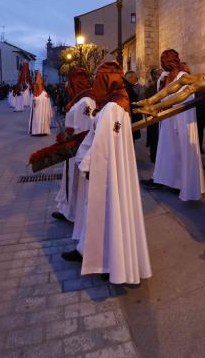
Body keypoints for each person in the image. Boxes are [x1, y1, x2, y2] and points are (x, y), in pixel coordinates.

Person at [62, 62, 152, 285]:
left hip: (107, 171)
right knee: (97, 211)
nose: (94, 86)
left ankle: (109, 262)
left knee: (106, 211)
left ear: (105, 82)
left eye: (98, 81)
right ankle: (89, 251)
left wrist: (85, 165)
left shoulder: (113, 108)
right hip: (109, 168)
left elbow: (102, 145)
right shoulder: (115, 103)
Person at [148, 49, 205, 201]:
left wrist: (170, 106)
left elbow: (188, 97)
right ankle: (167, 180)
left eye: (165, 61)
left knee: (183, 150)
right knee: (168, 150)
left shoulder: (184, 76)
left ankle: (183, 183)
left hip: (182, 119)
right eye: (162, 61)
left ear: (173, 61)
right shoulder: (164, 77)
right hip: (167, 119)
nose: (163, 64)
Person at [53, 68, 95, 224]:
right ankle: (67, 210)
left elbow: (90, 126)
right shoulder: (79, 99)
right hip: (71, 146)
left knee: (77, 182)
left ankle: (76, 215)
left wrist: (74, 138)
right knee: (70, 180)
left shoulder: (86, 101)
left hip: (79, 148)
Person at [143, 68, 162, 162]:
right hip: (154, 115)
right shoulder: (151, 87)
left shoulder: (162, 86)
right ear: (156, 76)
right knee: (154, 136)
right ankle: (154, 156)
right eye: (160, 74)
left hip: (161, 114)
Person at [29, 72, 53, 136]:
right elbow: (48, 103)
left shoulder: (37, 95)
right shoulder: (45, 94)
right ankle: (44, 131)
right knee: (42, 119)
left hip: (38, 112)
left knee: (37, 119)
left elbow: (34, 104)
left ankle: (37, 131)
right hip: (43, 112)